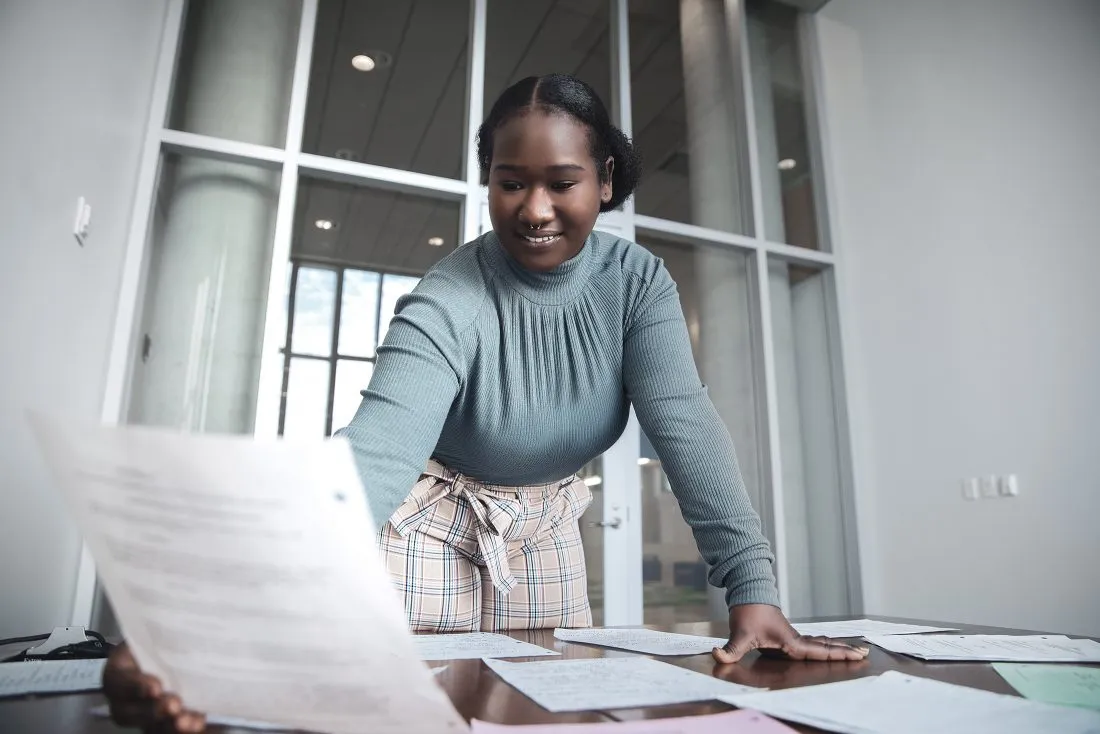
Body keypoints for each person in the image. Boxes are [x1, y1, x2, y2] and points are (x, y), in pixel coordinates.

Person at [103, 74, 868, 732]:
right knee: (408, 710)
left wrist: (754, 586)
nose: (534, 209)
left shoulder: (637, 285)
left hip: (542, 530)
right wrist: (204, 625)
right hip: (430, 525)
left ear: (604, 179)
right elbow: (374, 454)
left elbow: (687, 428)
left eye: (561, 182)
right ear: (490, 180)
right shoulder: (450, 297)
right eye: (510, 182)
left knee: (541, 713)